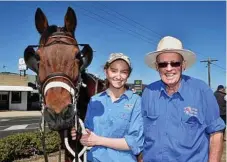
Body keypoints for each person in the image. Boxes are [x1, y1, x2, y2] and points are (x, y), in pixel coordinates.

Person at [142, 36, 226, 162]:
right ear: (157, 67)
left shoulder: (201, 90)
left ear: (183, 65)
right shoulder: (148, 92)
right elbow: (140, 134)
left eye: (175, 63)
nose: (169, 68)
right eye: (163, 64)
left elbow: (216, 133)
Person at [72, 53, 144, 162]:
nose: (118, 76)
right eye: (114, 71)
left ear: (128, 75)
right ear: (106, 71)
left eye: (123, 72)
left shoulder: (136, 101)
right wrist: (80, 135)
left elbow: (135, 142)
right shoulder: (95, 100)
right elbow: (88, 135)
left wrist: (98, 140)